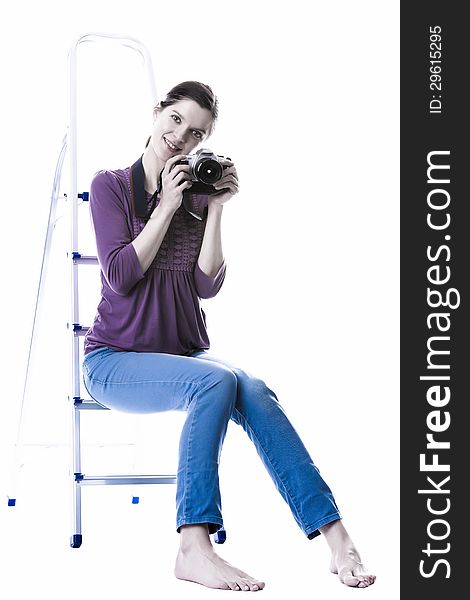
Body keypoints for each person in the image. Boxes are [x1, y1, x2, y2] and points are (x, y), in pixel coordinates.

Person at [82, 80, 376, 592]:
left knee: (255, 389)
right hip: (115, 361)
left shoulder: (197, 194)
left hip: (184, 358)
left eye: (195, 133)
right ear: (157, 113)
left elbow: (205, 284)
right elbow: (121, 274)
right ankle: (193, 547)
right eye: (175, 120)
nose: (180, 136)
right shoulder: (111, 185)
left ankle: (336, 537)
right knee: (215, 384)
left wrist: (215, 208)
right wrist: (166, 206)